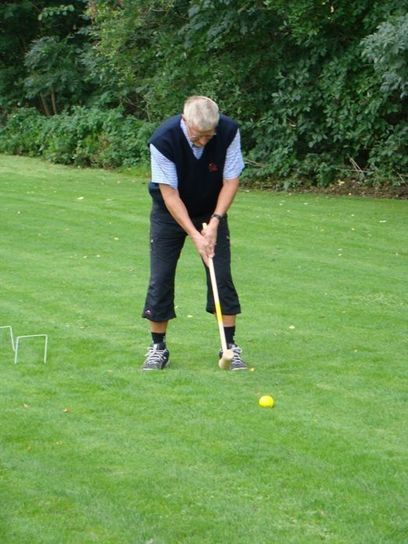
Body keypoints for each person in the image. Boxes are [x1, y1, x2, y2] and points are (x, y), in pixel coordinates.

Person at [141, 95, 246, 371]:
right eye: (198, 136)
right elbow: (170, 194)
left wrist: (214, 222)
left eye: (208, 136)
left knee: (221, 275)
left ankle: (230, 346)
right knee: (161, 276)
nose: (203, 142)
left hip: (212, 208)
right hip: (170, 213)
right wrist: (195, 235)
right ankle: (157, 348)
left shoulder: (228, 131)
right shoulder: (163, 140)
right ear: (185, 121)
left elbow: (231, 180)